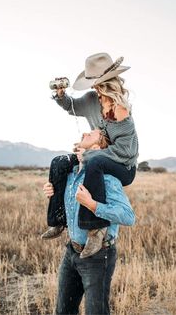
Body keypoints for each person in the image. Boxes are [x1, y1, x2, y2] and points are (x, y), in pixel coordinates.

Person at [42, 52, 139, 258]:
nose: (94, 87)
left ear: (108, 83)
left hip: (124, 166)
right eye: (93, 83)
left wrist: (92, 154)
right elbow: (71, 106)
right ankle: (57, 219)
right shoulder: (91, 100)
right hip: (97, 155)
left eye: (98, 83)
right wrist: (61, 95)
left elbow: (127, 152)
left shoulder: (120, 110)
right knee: (59, 162)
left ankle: (95, 230)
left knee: (93, 162)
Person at [43, 128, 136, 315]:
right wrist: (51, 193)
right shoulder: (70, 175)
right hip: (72, 251)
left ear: (96, 146)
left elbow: (128, 216)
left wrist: (93, 205)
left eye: (91, 133)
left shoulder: (107, 179)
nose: (84, 133)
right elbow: (70, 206)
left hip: (98, 256)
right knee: (63, 311)